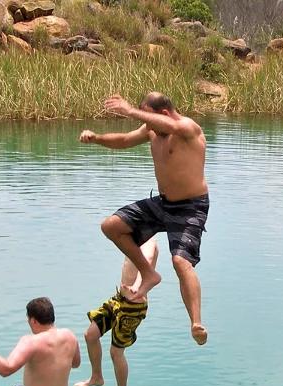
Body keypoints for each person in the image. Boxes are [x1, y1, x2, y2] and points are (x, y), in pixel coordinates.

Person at [78, 91, 210, 346]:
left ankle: (195, 322)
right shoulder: (152, 130)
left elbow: (172, 125)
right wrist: (97, 139)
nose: (146, 125)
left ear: (163, 113)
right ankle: (149, 274)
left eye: (149, 118)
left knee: (181, 262)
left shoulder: (187, 128)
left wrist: (129, 111)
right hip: (163, 203)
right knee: (112, 226)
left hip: (191, 207)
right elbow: (125, 140)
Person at [74, 237, 160, 386]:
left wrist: (136, 286)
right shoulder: (135, 238)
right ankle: (96, 377)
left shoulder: (149, 241)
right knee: (90, 335)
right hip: (118, 299)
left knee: (116, 352)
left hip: (134, 306)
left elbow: (148, 261)